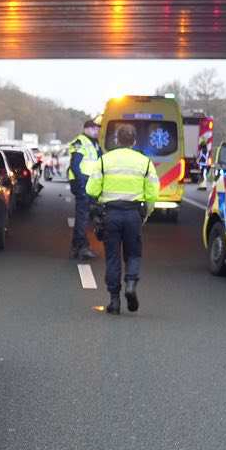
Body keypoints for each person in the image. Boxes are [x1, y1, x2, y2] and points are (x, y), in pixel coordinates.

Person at [84, 122, 160, 316]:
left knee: (112, 257)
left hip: (111, 214)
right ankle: (131, 285)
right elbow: (152, 192)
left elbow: (91, 189)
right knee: (134, 254)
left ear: (117, 140)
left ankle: (114, 301)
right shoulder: (145, 162)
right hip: (133, 214)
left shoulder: (104, 160)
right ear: (134, 141)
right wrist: (146, 213)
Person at [65, 118, 103, 260]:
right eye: (94, 128)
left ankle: (78, 245)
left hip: (90, 183)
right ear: (86, 129)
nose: (96, 130)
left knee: (86, 215)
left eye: (98, 128)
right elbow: (75, 165)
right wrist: (82, 183)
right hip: (82, 182)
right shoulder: (80, 142)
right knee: (83, 216)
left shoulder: (94, 143)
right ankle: (81, 247)